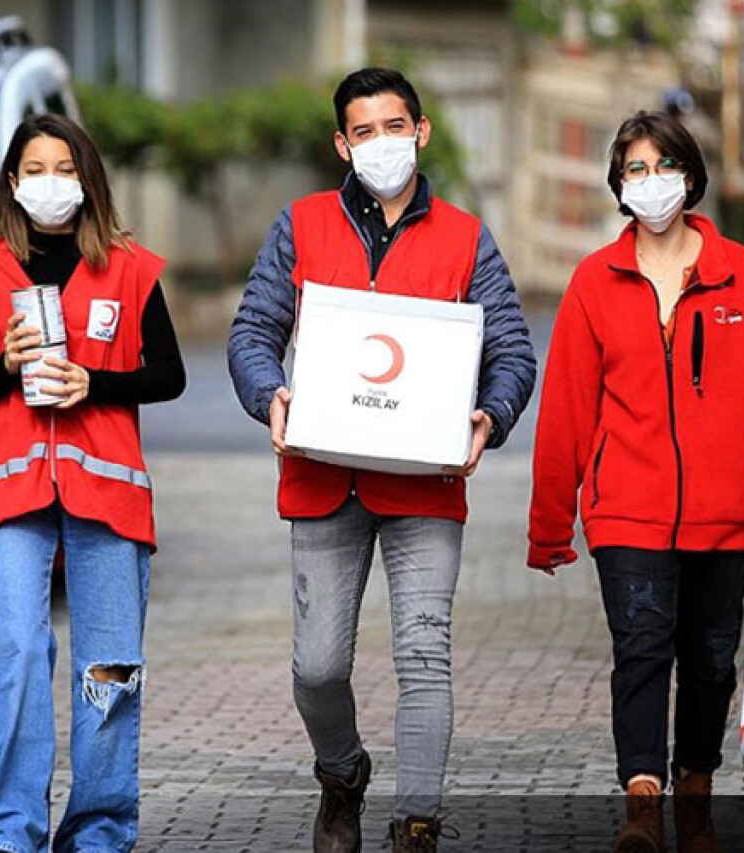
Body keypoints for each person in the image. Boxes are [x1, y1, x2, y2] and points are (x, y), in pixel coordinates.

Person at [228, 68, 536, 851]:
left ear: (421, 131)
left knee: (424, 651)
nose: (381, 144)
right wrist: (269, 393)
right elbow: (252, 331)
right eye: (363, 132)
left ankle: (418, 820)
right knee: (318, 667)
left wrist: (490, 417)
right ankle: (342, 770)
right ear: (343, 143)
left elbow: (511, 350)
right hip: (322, 477)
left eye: (394, 127)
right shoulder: (300, 224)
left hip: (425, 483)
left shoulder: (467, 237)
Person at [527, 111, 744, 853]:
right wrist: (549, 525)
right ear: (619, 187)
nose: (650, 181)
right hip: (626, 514)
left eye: (662, 165)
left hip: (727, 515)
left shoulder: (739, 274)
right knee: (641, 649)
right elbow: (567, 409)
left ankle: (694, 790)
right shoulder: (594, 282)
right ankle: (642, 799)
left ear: (689, 176)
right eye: (634, 169)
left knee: (708, 659)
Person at [0, 113, 185, 853]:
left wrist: (95, 381)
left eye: (65, 169)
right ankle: (10, 830)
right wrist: (5, 366)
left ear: (88, 181)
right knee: (18, 650)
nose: (51, 183)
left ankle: (99, 830)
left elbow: (169, 375)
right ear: (13, 184)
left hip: (106, 495)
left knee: (107, 669)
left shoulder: (130, 267)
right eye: (36, 170)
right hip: (11, 493)